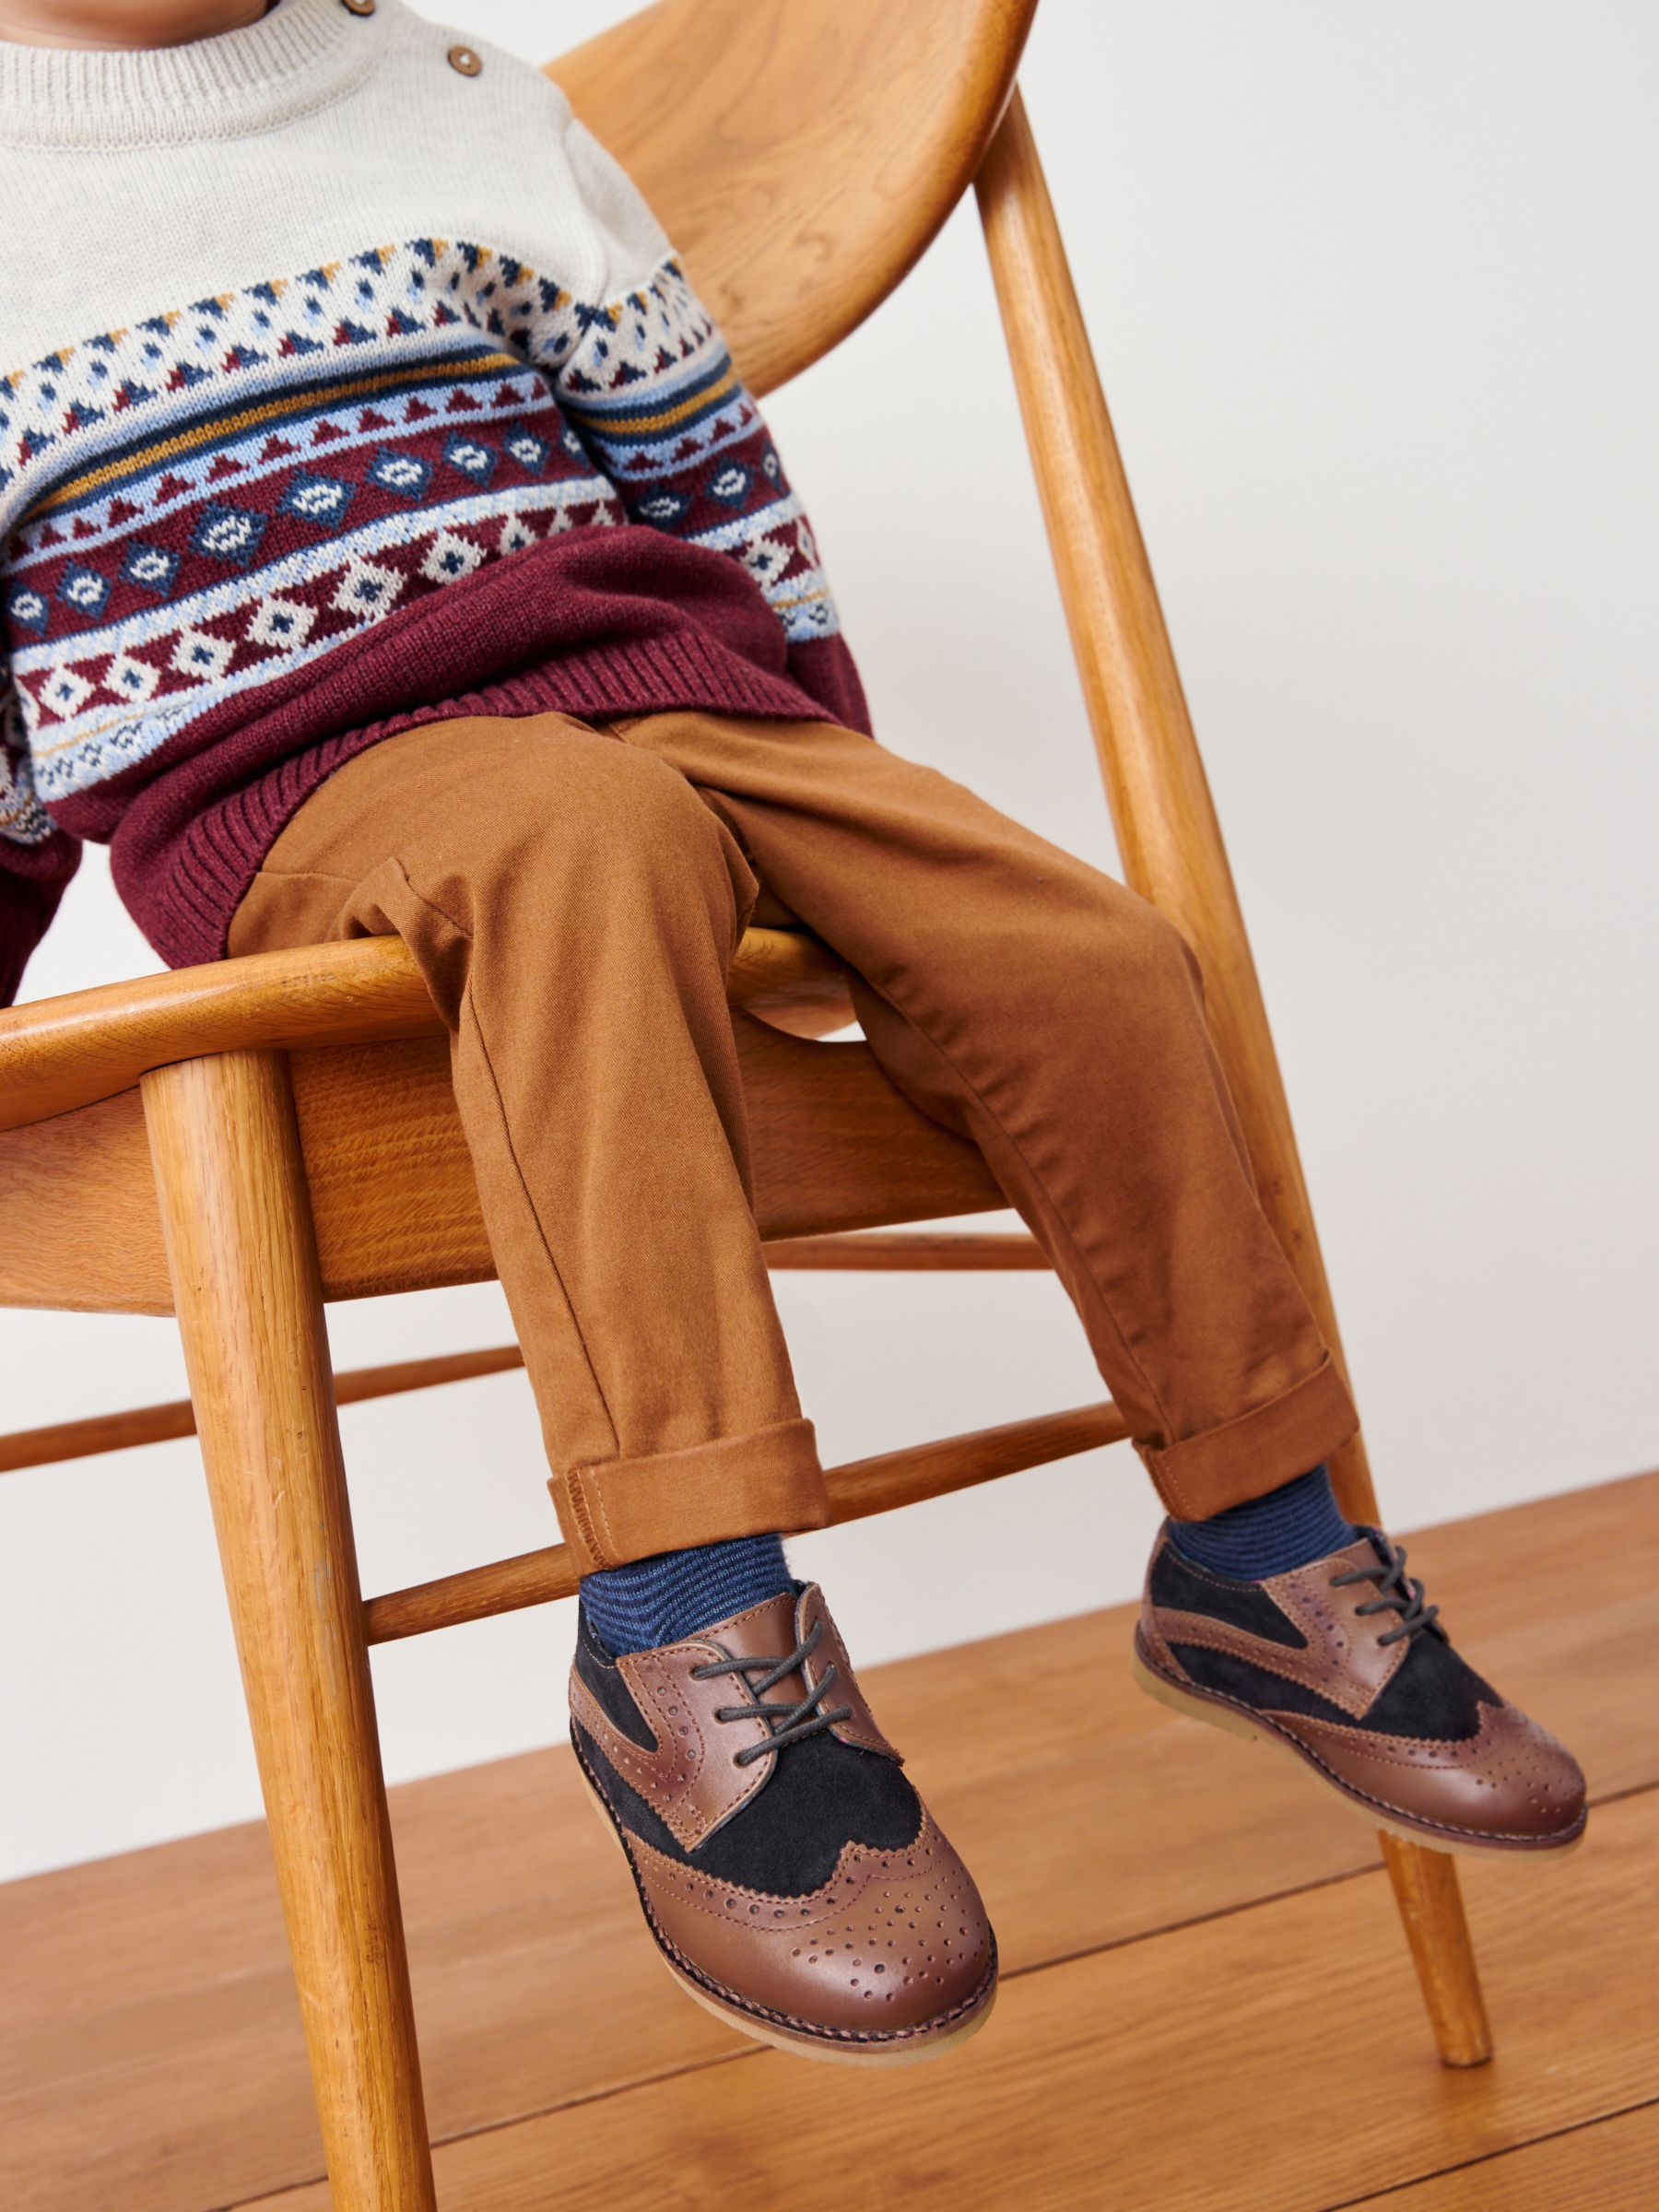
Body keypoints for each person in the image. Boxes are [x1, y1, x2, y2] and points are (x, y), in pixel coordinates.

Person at [0, 0, 1585, 2065]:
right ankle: (687, 1634)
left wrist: (843, 822)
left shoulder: (462, 105)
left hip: (672, 697)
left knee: (1076, 943)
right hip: (301, 785)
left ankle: (1261, 1545)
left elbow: (696, 461)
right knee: (569, 842)